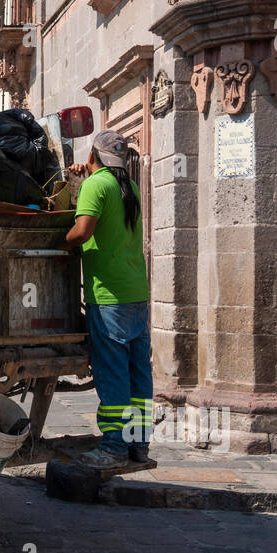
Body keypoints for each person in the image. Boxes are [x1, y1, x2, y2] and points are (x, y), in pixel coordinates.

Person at [64, 131, 152, 467]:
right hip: (136, 292)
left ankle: (114, 447)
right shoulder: (129, 188)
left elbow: (82, 231)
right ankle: (138, 444)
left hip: (109, 295)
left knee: (113, 370)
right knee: (137, 371)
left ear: (92, 157)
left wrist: (64, 240)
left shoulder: (95, 186)